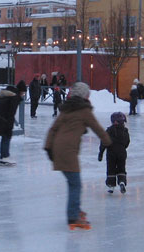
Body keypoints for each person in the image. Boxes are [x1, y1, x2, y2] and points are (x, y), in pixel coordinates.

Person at [44, 82, 111, 231]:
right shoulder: (84, 110)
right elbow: (97, 128)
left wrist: (48, 147)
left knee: (73, 182)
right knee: (76, 184)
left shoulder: (66, 109)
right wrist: (108, 142)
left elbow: (53, 129)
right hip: (68, 151)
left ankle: (74, 209)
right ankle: (73, 216)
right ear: (84, 95)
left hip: (58, 147)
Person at [0, 80, 26, 166]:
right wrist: (9, 125)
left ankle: (3, 156)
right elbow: (11, 112)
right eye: (24, 93)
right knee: (7, 135)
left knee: (5, 136)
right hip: (1, 118)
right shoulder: (15, 97)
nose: (23, 94)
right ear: (21, 91)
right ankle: (5, 156)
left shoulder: (9, 94)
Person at [98, 112, 130, 194]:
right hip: (122, 153)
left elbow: (104, 142)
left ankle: (111, 185)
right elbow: (127, 142)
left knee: (111, 168)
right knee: (121, 168)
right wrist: (123, 147)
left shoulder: (109, 130)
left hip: (111, 153)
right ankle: (122, 181)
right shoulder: (125, 131)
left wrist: (101, 153)